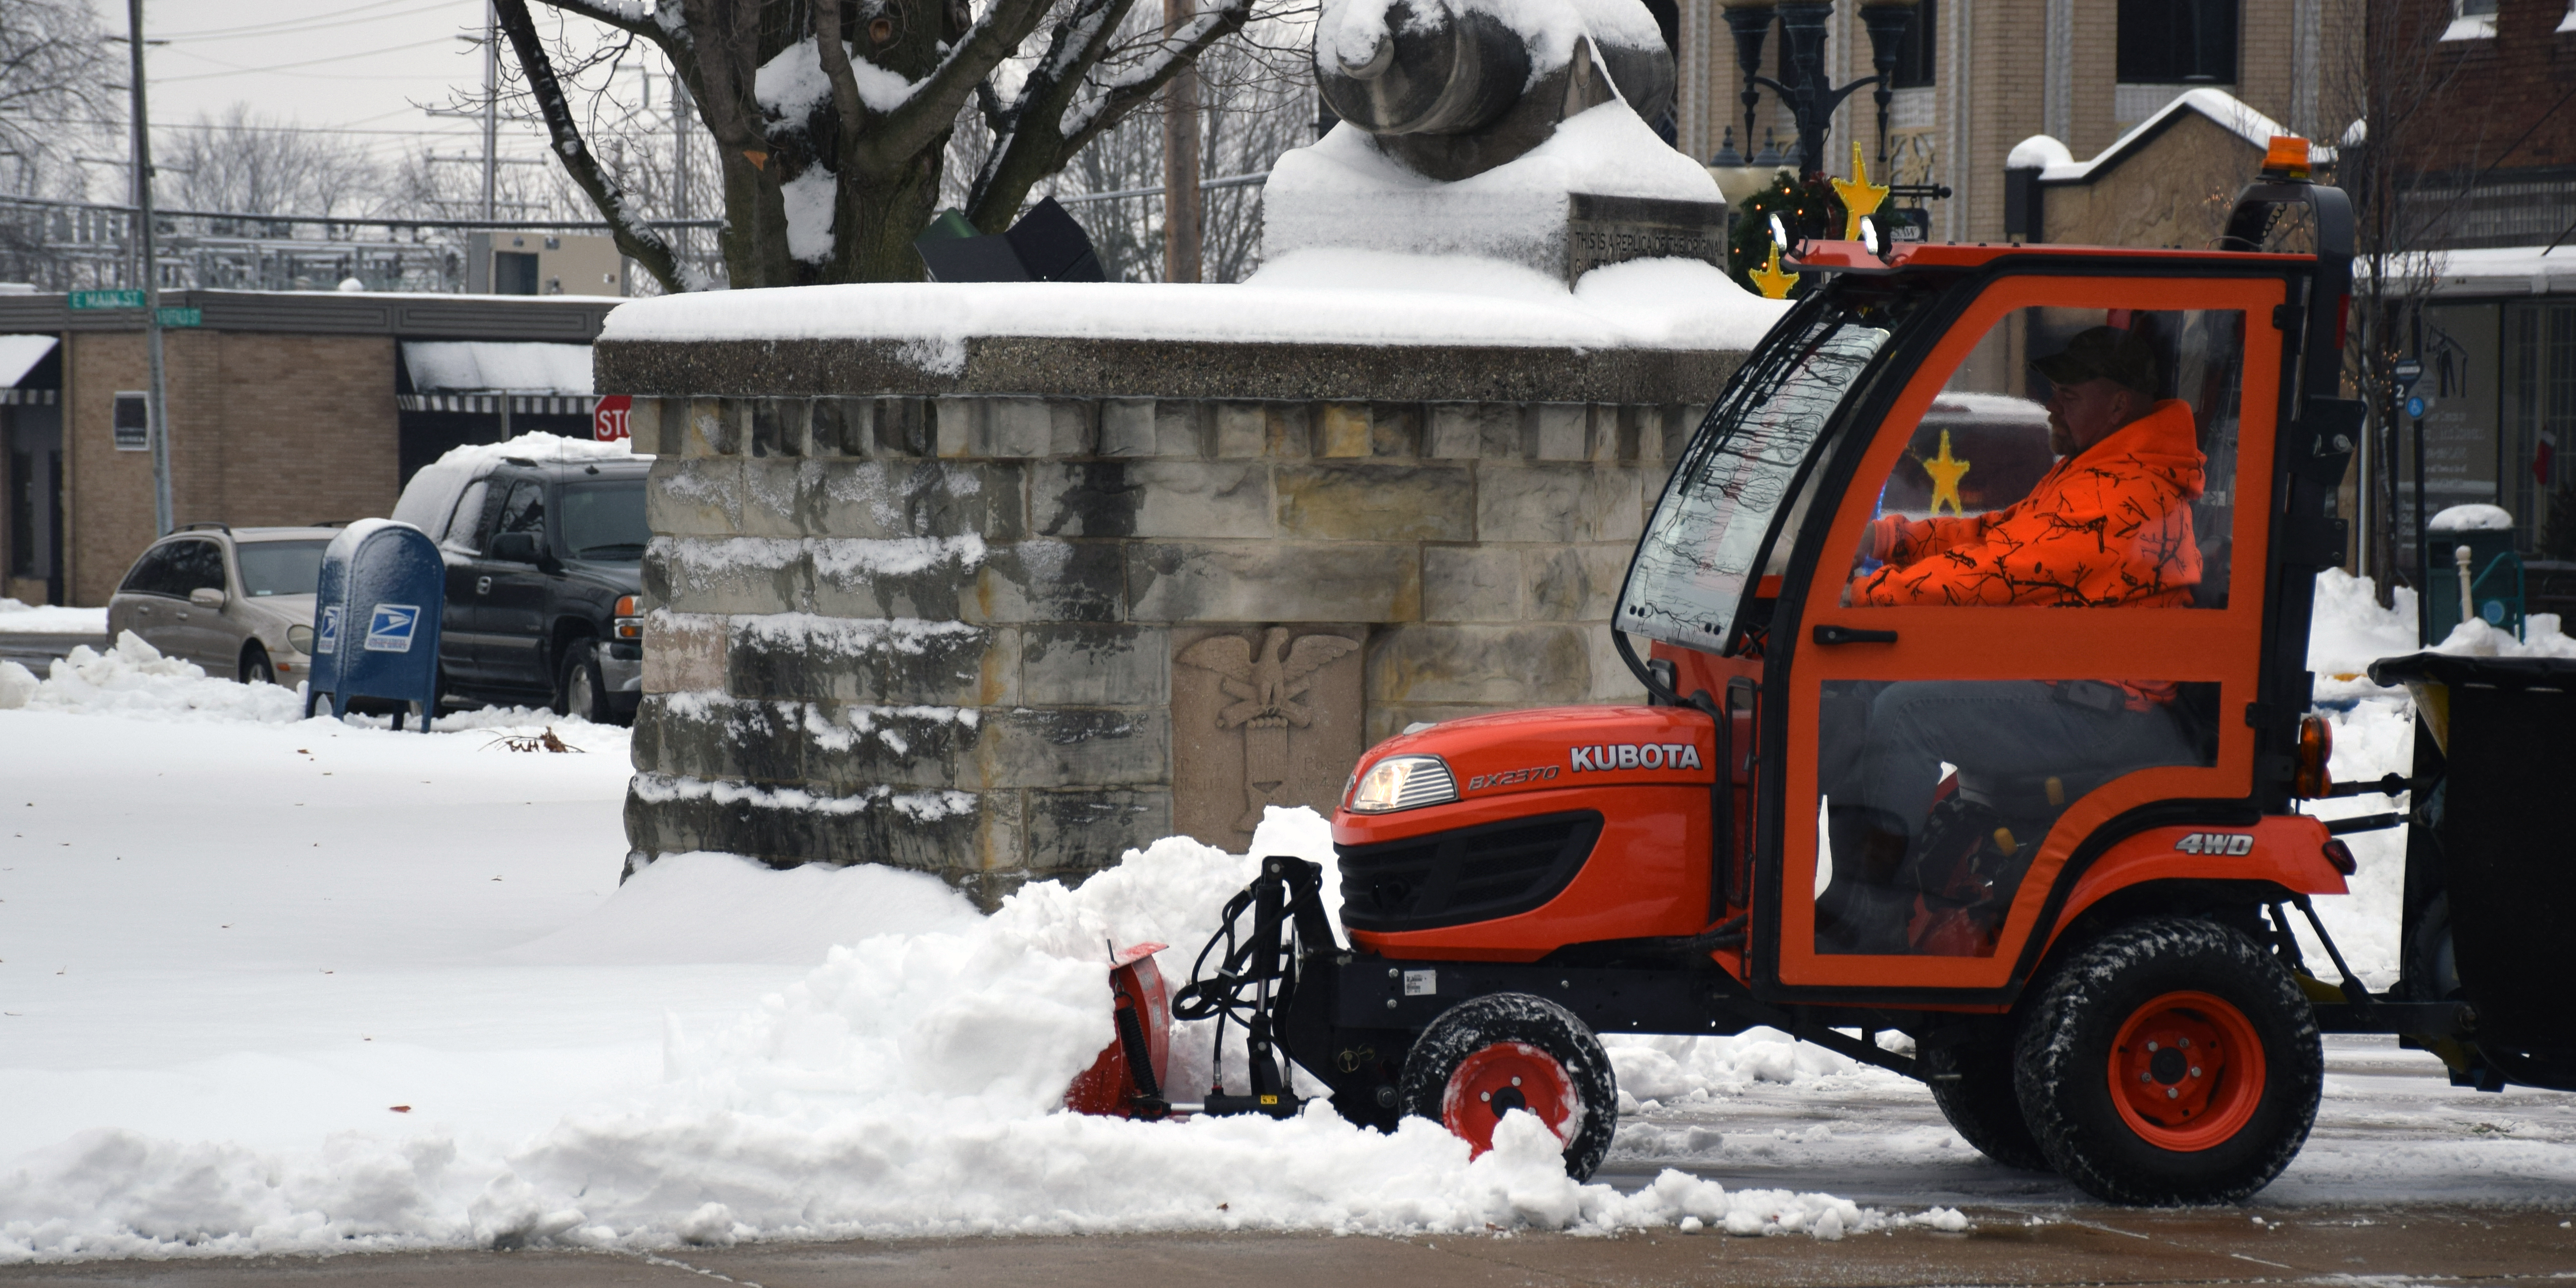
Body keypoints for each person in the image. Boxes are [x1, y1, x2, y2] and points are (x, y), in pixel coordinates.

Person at [1819, 326, 2209, 954]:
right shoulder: (2101, 470)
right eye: (2053, 393)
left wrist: (1870, 598)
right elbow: (2003, 534)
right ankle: (1851, 897)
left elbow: (2006, 573)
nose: (2053, 407)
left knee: (1903, 714)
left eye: (2069, 394)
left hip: (2103, 708)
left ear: (2117, 405)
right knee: (1865, 692)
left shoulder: (2127, 494)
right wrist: (1890, 540)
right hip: (2069, 686)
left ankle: (1874, 917)